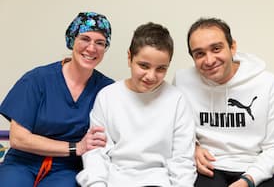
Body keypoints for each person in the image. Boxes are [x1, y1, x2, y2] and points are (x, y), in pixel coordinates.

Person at [173, 17, 274, 187]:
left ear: (232, 47)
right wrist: (193, 146)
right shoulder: (183, 81)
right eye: (199, 53)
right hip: (210, 166)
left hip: (256, 166)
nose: (209, 60)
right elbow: (177, 129)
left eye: (216, 48)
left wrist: (248, 180)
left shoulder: (268, 83)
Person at [0, 12, 114, 187]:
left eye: (100, 43)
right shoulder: (37, 80)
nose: (92, 48)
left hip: (67, 168)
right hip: (22, 163)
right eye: (85, 39)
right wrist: (76, 147)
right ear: (71, 40)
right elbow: (18, 138)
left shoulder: (107, 90)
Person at [76, 22, 196, 187]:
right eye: (144, 66)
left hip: (159, 182)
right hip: (114, 181)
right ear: (129, 57)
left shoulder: (177, 100)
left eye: (161, 69)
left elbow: (182, 160)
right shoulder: (107, 97)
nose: (151, 76)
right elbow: (96, 153)